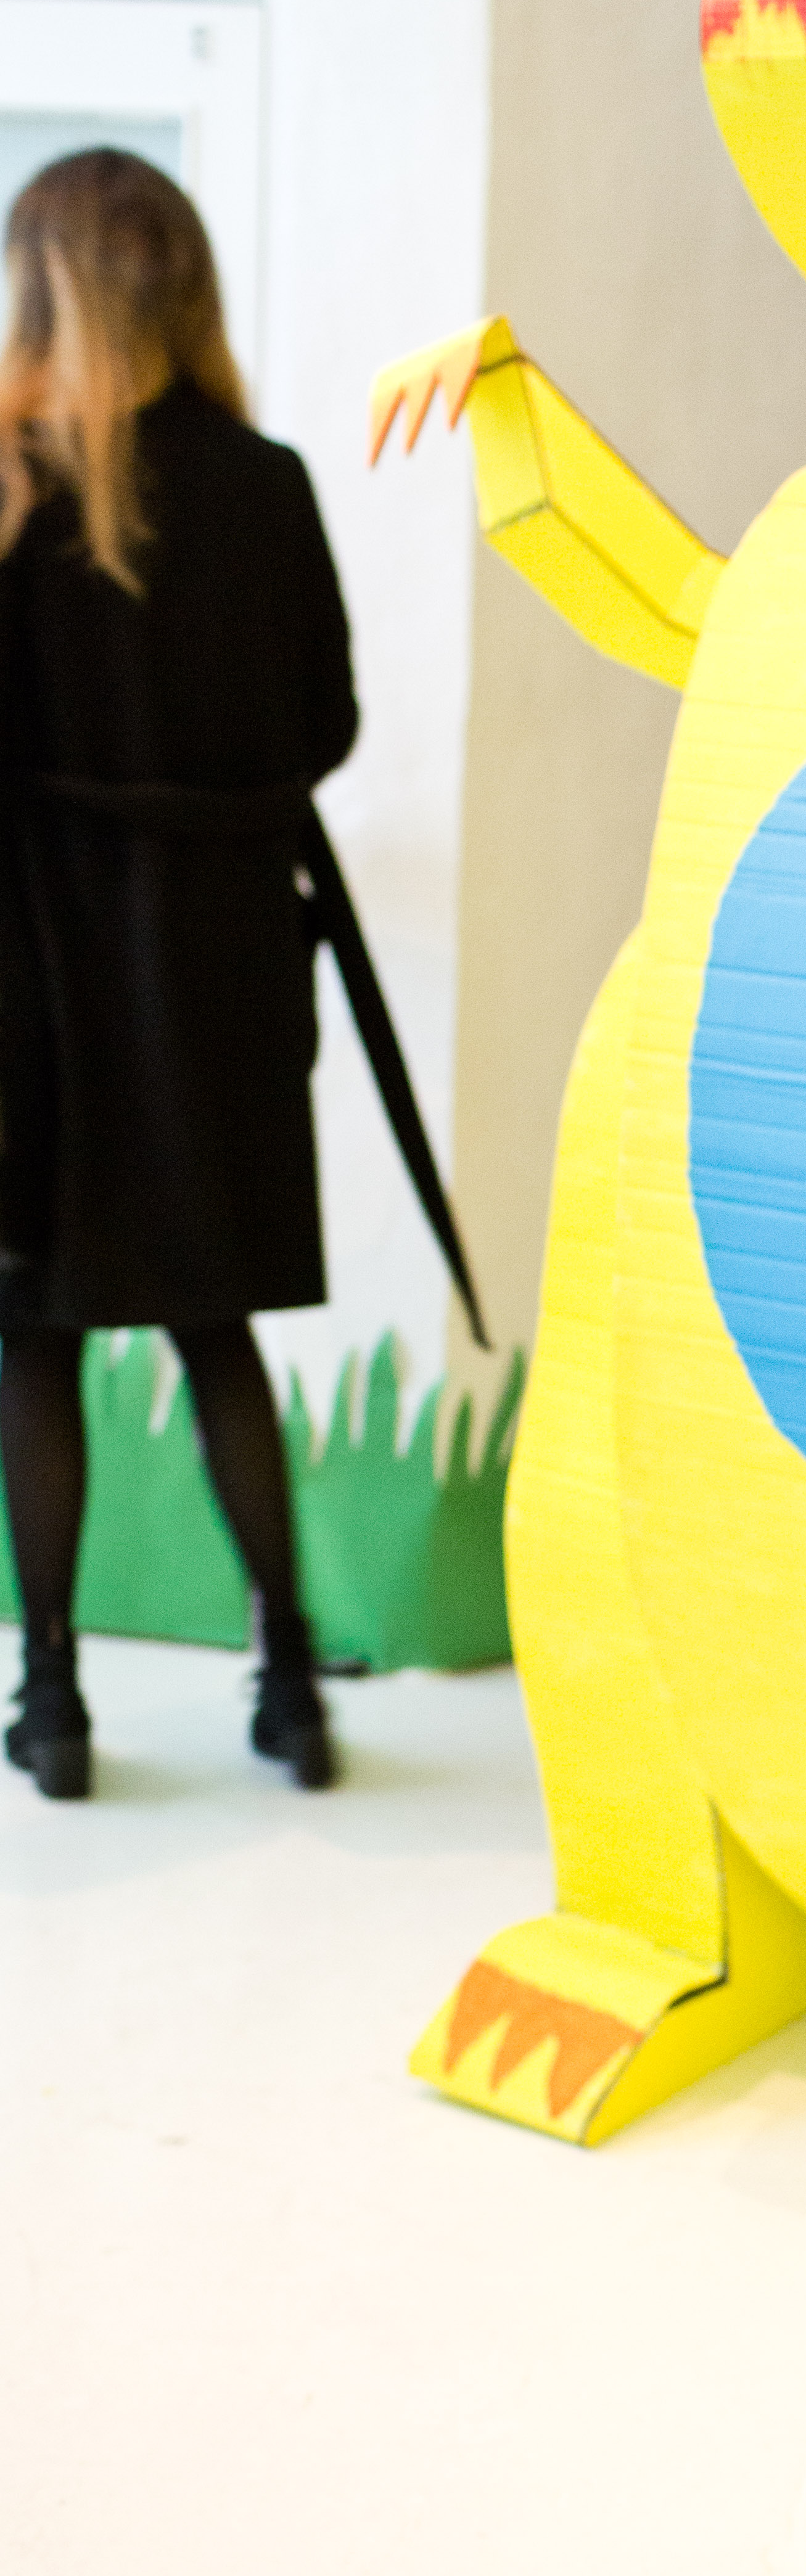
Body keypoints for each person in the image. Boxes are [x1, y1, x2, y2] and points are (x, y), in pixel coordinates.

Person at [0, 149, 358, 1799]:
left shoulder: (14, 488)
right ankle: (288, 1683)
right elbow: (323, 727)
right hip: (216, 979)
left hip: (42, 983)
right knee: (218, 1333)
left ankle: (55, 1705)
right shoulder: (266, 482)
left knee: (34, 1339)